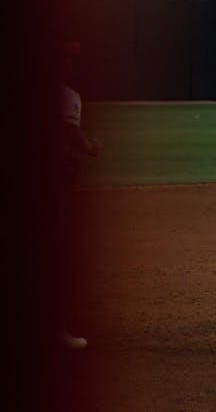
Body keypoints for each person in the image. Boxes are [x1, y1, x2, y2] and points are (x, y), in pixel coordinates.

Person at [58, 42, 101, 348]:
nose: (70, 66)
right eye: (66, 60)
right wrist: (90, 147)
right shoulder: (64, 94)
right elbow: (69, 135)